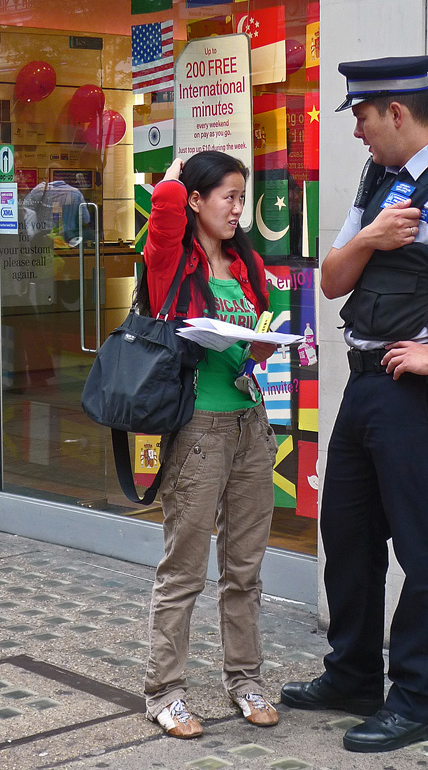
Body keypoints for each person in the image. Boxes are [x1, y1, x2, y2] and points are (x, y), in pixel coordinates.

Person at [281, 56, 428, 753]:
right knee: (349, 536)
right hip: (367, 384)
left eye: (360, 115)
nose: (354, 130)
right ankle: (353, 675)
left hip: (415, 394)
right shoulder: (381, 181)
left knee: (423, 549)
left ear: (395, 112)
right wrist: (369, 237)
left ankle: (418, 699)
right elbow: (330, 280)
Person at [138, 151, 279, 739]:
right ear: (196, 200)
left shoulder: (243, 260)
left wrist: (267, 345)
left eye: (242, 198)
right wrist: (173, 180)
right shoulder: (173, 261)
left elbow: (255, 333)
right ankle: (164, 691)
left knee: (244, 569)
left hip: (252, 425)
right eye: (227, 196)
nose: (237, 208)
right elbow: (164, 217)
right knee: (185, 569)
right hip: (199, 430)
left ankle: (245, 679)